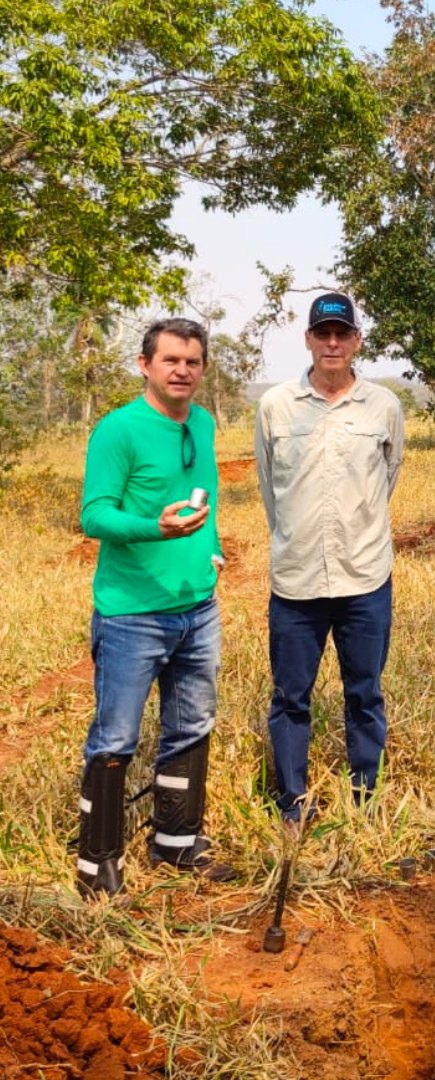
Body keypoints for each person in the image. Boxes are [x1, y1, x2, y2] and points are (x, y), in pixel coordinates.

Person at [78, 318, 232, 897]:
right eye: (170, 360)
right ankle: (98, 866)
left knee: (191, 725)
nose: (182, 371)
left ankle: (176, 840)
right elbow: (94, 514)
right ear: (145, 365)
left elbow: (206, 497)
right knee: (115, 738)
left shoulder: (203, 422)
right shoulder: (118, 430)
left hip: (198, 608)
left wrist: (210, 548)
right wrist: (155, 528)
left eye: (192, 362)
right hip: (130, 614)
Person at [255, 292, 404, 823]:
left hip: (365, 577)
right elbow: (271, 489)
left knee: (364, 693)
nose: (334, 343)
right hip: (296, 583)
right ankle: (290, 802)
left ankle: (365, 799)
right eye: (324, 334)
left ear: (357, 340)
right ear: (310, 340)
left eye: (343, 333)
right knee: (291, 697)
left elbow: (387, 479)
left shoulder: (383, 406)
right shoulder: (275, 405)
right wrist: (298, 537)